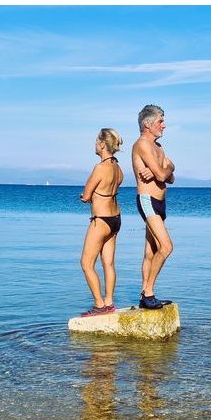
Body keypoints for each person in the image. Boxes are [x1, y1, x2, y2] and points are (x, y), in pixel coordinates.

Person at [131, 104, 175, 309]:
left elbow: (170, 177)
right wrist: (164, 169)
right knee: (166, 247)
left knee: (151, 252)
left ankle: (146, 296)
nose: (164, 126)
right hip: (147, 200)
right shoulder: (142, 145)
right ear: (148, 124)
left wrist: (168, 168)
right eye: (160, 121)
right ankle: (148, 293)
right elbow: (161, 175)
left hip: (160, 202)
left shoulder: (158, 147)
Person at [79, 128, 124, 317]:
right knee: (108, 263)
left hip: (101, 220)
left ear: (103, 144)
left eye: (96, 141)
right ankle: (109, 303)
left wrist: (85, 197)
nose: (95, 145)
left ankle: (99, 305)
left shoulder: (100, 167)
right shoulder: (118, 167)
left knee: (86, 263)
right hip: (115, 219)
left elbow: (86, 195)